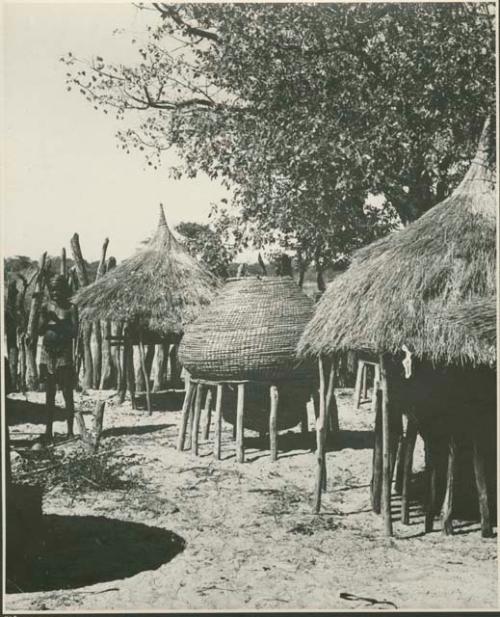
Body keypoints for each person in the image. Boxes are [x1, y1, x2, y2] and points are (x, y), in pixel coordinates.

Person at [39, 274, 77, 441]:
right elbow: (39, 331)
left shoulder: (71, 308)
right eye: (52, 289)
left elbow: (74, 332)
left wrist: (59, 322)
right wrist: (45, 319)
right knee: (49, 395)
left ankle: (70, 431)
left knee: (67, 394)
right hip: (47, 354)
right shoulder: (46, 307)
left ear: (64, 290)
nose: (55, 293)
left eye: (58, 289)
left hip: (64, 354)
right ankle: (48, 431)